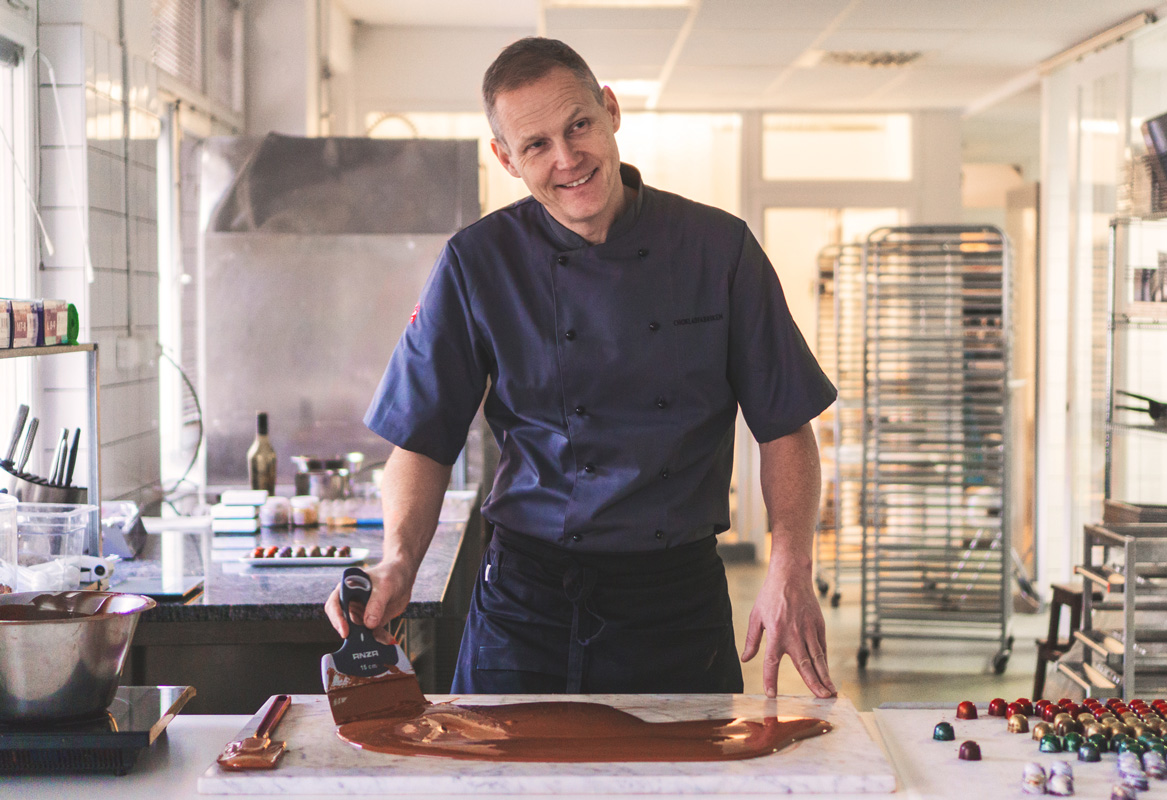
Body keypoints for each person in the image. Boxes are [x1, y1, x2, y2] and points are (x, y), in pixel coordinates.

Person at [325, 37, 837, 699]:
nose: (568, 160)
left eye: (579, 126)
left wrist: (790, 563)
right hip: (526, 604)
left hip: (676, 605)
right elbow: (422, 440)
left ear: (611, 112)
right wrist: (399, 561)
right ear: (505, 158)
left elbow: (784, 425)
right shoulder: (479, 264)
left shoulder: (719, 248)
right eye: (536, 145)